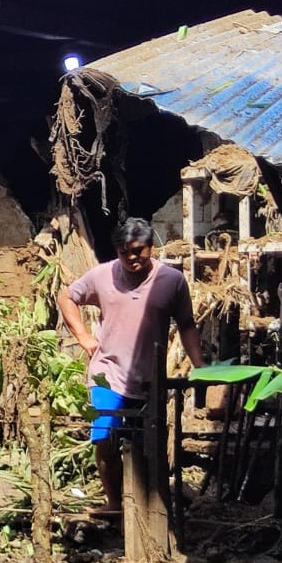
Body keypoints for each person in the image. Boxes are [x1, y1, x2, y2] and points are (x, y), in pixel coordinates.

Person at [57, 217, 205, 516]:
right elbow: (67, 297)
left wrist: (200, 365)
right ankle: (114, 503)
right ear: (117, 251)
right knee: (105, 440)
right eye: (124, 252)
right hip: (107, 375)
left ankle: (149, 506)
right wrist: (84, 337)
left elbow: (187, 324)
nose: (132, 258)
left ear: (151, 247)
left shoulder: (171, 282)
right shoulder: (102, 275)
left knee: (145, 446)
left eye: (138, 251)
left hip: (149, 380)